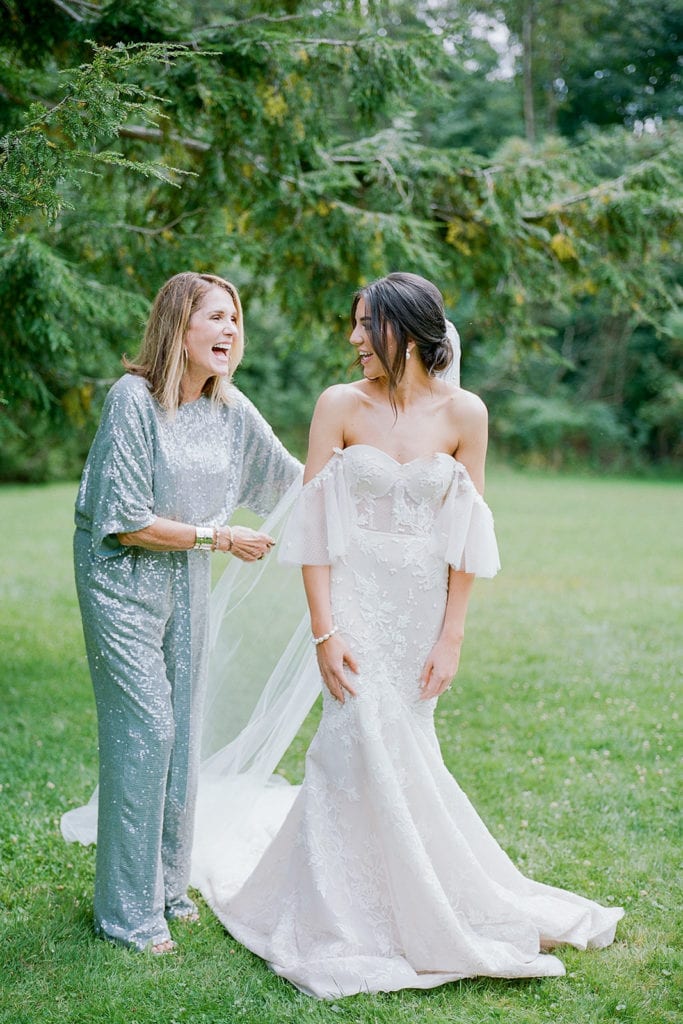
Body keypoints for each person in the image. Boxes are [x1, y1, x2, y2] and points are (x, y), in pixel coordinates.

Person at [197, 271, 623, 997]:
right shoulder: (338, 406)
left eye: (367, 325)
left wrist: (451, 635)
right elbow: (314, 530)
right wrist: (324, 632)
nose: (354, 338)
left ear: (407, 330)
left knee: (403, 750)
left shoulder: (467, 414)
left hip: (420, 607)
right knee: (349, 738)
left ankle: (422, 896)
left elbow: (466, 534)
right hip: (353, 601)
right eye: (354, 325)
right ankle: (340, 913)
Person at [63, 271, 301, 954]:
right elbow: (126, 520)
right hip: (120, 579)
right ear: (179, 327)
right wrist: (221, 536)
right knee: (149, 728)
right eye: (216, 318)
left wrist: (374, 450)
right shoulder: (131, 400)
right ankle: (125, 913)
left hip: (185, 575)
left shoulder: (229, 409)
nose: (230, 331)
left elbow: (293, 479)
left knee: (184, 732)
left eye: (235, 319)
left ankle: (166, 886)